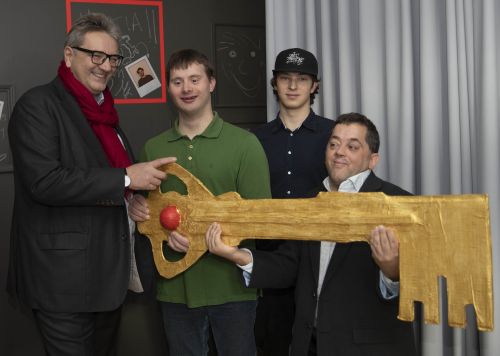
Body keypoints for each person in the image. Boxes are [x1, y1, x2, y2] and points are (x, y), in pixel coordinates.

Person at [6, 13, 175, 356]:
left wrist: (131, 202)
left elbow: (98, 185)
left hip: (106, 281)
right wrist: (127, 177)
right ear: (69, 56)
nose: (105, 66)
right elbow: (45, 182)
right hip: (61, 284)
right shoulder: (37, 106)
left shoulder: (105, 114)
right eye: (95, 56)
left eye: (112, 58)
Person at [205, 113, 417, 356]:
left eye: (352, 146)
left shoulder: (400, 204)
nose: (339, 151)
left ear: (373, 160)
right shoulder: (310, 201)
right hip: (310, 346)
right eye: (334, 144)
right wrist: (233, 253)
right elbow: (289, 265)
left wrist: (392, 270)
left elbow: (421, 288)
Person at [128, 49, 271, 356]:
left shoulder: (245, 145)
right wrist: (144, 216)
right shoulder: (154, 147)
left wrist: (202, 238)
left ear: (212, 83)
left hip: (233, 289)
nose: (187, 88)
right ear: (168, 89)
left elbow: (259, 219)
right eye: (178, 81)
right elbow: (148, 216)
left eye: (195, 79)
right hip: (176, 291)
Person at [251, 47, 334, 355]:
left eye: (302, 79)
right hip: (271, 260)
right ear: (275, 83)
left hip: (319, 257)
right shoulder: (255, 140)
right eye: (285, 78)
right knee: (272, 341)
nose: (293, 86)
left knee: (317, 344)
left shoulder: (333, 135)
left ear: (314, 85)